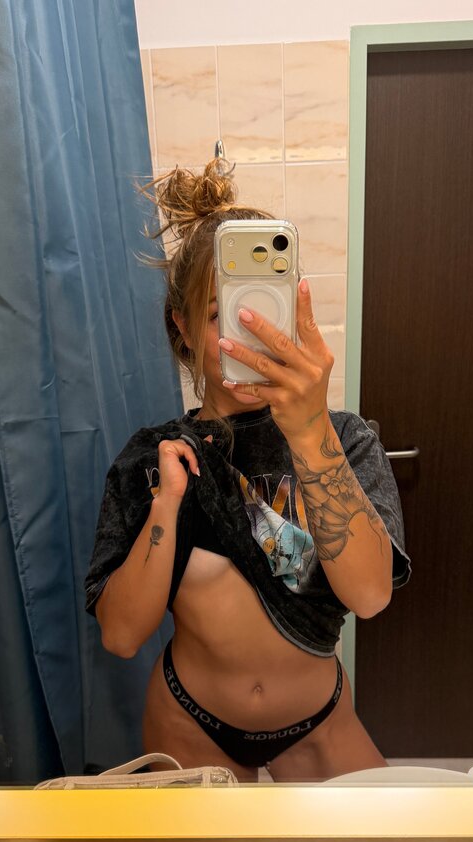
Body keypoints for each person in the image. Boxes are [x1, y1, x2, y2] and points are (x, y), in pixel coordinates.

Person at [84, 158, 410, 782]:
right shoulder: (153, 458)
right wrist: (166, 505)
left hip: (318, 723)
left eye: (265, 312)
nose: (249, 338)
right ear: (182, 327)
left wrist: (310, 432)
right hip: (189, 724)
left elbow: (370, 596)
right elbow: (121, 637)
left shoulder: (345, 441)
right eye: (221, 316)